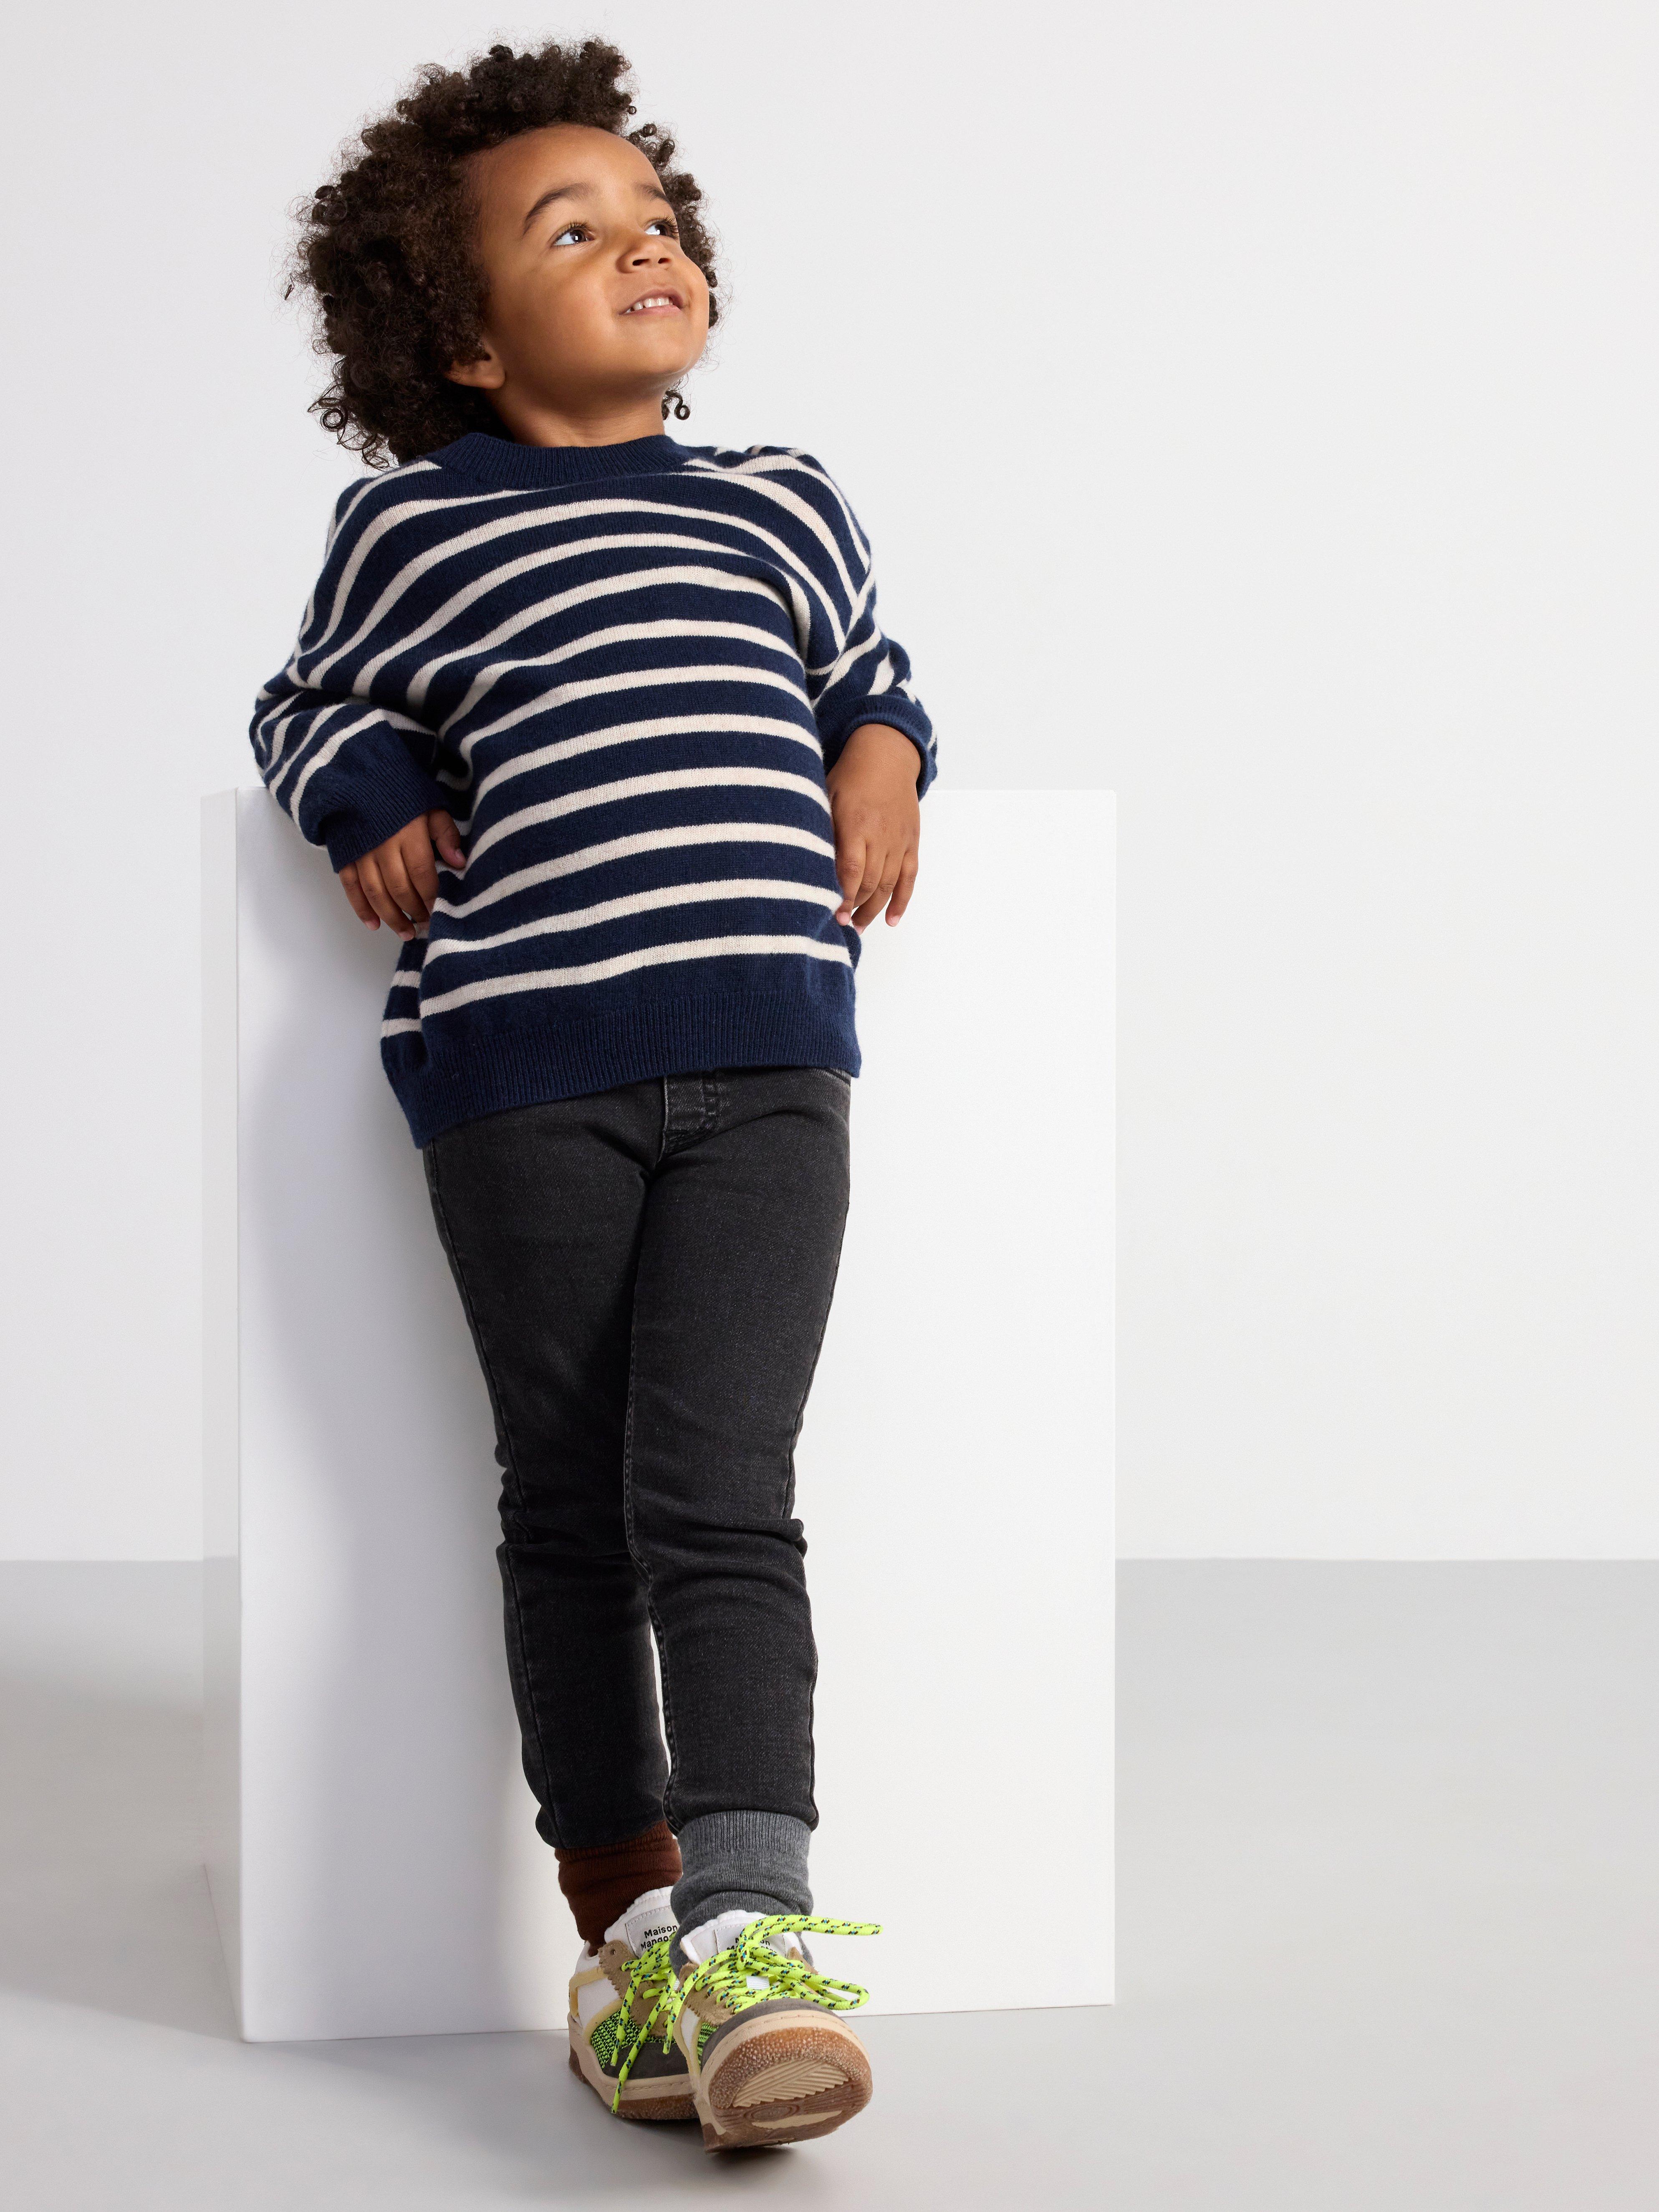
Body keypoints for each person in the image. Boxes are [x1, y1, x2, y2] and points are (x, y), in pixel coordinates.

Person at [249, 36, 936, 2154]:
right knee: (564, 1494)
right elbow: (304, 704)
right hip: (520, 1073)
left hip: (769, 1063)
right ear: (463, 336)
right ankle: (626, 1934)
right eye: (574, 231)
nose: (644, 246)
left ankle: (753, 1932)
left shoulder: (779, 498)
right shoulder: (411, 526)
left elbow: (873, 676)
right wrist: (366, 790)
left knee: (720, 1491)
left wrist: (882, 761)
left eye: (658, 219)